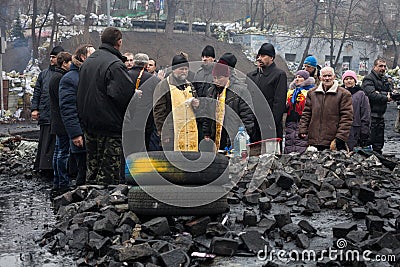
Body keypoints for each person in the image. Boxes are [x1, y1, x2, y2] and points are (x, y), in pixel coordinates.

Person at [77, 27, 135, 185]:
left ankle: (86, 205)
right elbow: (124, 95)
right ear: (119, 43)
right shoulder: (115, 65)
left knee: (92, 170)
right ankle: (104, 207)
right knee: (109, 175)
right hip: (110, 127)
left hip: (89, 125)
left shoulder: (88, 61)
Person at [59, 44, 96, 188]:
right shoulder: (70, 79)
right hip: (81, 132)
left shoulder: (89, 74)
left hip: (93, 131)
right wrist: (75, 134)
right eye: (91, 55)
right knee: (82, 171)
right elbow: (68, 109)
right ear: (83, 57)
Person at [203, 55, 254, 151]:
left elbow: (247, 117)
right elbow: (207, 114)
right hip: (215, 137)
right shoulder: (211, 92)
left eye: (220, 78)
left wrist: (242, 138)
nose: (216, 81)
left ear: (227, 76)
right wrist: (207, 133)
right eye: (214, 78)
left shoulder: (240, 91)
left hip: (233, 137)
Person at [298, 66, 353, 151]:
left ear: (334, 77)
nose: (327, 78)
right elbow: (306, 113)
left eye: (329, 76)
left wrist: (340, 137)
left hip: (333, 141)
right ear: (320, 78)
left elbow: (347, 118)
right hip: (314, 140)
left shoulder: (344, 94)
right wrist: (303, 129)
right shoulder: (312, 93)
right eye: (324, 76)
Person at [153, 53, 200, 151]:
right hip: (171, 133)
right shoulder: (164, 85)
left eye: (186, 69)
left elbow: (197, 107)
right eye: (181, 69)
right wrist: (163, 134)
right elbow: (159, 111)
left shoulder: (189, 85)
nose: (184, 72)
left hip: (189, 133)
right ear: (174, 69)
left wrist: (196, 105)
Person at [31, 45, 64, 179]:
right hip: (45, 112)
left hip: (57, 115)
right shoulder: (43, 74)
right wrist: (35, 108)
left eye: (54, 57)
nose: (51, 59)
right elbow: (37, 92)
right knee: (44, 141)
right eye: (50, 57)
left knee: (55, 141)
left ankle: (52, 168)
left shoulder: (63, 75)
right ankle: (42, 166)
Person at [247, 43, 287, 144]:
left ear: (271, 58)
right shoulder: (251, 76)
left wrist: (272, 122)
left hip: (269, 125)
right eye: (258, 56)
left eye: (263, 56)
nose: (259, 58)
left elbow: (279, 102)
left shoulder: (278, 75)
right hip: (254, 125)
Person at [125, 52, 161, 153]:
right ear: (146, 65)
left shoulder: (124, 76)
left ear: (134, 63)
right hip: (145, 123)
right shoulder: (154, 80)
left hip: (126, 121)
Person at [49, 51, 72, 192]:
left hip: (57, 120)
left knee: (58, 151)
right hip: (62, 121)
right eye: (69, 62)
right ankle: (62, 182)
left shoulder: (55, 76)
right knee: (63, 152)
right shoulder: (60, 78)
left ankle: (57, 180)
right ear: (64, 63)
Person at [361, 58, 393, 154]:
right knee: (369, 142)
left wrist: (381, 94)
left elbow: (391, 93)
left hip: (380, 116)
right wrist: (385, 96)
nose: (383, 68)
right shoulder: (368, 79)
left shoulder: (384, 79)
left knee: (379, 144)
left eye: (384, 66)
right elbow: (372, 95)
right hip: (370, 116)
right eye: (380, 66)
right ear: (374, 67)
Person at [284, 70, 315, 154]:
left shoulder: (310, 92)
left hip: (303, 122)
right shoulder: (291, 92)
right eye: (296, 77)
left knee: (301, 143)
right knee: (289, 142)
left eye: (300, 77)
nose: (297, 79)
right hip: (290, 121)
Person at [341, 70, 371, 151]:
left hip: (355, 128)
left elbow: (365, 112)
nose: (349, 81)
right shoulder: (339, 93)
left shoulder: (361, 94)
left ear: (355, 80)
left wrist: (364, 130)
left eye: (351, 78)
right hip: (341, 127)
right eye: (346, 79)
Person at [193, 45, 216, 141]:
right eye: (203, 57)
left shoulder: (217, 73)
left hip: (212, 117)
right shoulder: (198, 74)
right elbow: (194, 90)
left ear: (213, 58)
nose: (204, 59)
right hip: (199, 116)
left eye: (207, 57)